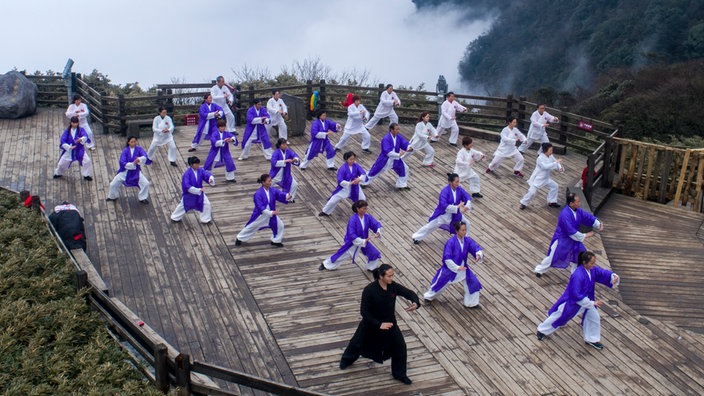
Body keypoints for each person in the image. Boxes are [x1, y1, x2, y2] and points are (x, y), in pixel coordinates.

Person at [339, 264, 420, 385]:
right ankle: (346, 360)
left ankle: (399, 374)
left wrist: (416, 302)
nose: (392, 278)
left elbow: (409, 293)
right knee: (357, 343)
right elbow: (364, 312)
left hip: (390, 323)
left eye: (392, 275)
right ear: (381, 276)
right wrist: (378, 324)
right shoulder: (369, 290)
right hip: (371, 324)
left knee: (400, 347)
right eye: (389, 276)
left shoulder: (392, 287)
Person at [536, 251, 620, 350]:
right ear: (584, 263)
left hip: (586, 300)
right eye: (591, 263)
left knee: (594, 317)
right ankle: (542, 330)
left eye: (594, 263)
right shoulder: (578, 275)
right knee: (559, 316)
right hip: (572, 302)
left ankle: (591, 339)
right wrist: (592, 303)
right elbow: (575, 294)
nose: (594, 265)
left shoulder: (591, 270)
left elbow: (601, 272)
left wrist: (612, 276)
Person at [534, 193, 603, 277]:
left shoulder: (578, 211)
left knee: (580, 255)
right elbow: (570, 230)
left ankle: (575, 274)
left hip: (574, 239)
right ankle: (540, 269)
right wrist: (585, 235)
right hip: (563, 239)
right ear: (571, 203)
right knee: (553, 257)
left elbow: (587, 217)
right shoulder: (564, 214)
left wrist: (598, 224)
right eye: (577, 202)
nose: (579, 203)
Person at [423, 222, 485, 308]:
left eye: (465, 230)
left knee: (473, 282)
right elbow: (447, 258)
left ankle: (471, 303)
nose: (464, 232)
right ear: (457, 231)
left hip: (463, 268)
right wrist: (457, 267)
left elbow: (475, 247)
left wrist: (478, 254)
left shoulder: (467, 240)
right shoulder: (450, 242)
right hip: (450, 270)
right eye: (462, 230)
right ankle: (429, 297)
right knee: (440, 285)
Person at [319, 200, 382, 271]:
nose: (365, 210)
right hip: (353, 242)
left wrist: (378, 231)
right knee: (341, 256)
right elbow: (351, 233)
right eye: (363, 208)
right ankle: (326, 264)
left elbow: (375, 224)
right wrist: (361, 240)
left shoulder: (367, 217)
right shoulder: (353, 219)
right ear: (358, 209)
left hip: (364, 241)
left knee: (374, 253)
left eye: (366, 208)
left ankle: (371, 268)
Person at [412, 173, 471, 244]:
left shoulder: (459, 189)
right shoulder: (445, 191)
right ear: (450, 182)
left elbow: (467, 196)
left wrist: (467, 205)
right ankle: (416, 237)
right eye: (456, 182)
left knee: (467, 223)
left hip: (456, 214)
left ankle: (465, 240)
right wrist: (457, 207)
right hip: (443, 214)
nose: (458, 183)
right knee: (430, 226)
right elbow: (443, 205)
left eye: (458, 181)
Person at [235, 174, 291, 248]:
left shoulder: (272, 190)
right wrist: (271, 213)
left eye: (271, 180)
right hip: (261, 215)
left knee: (280, 225)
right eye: (269, 181)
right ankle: (240, 238)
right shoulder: (258, 194)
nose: (271, 182)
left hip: (271, 214)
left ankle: (276, 240)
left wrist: (287, 196)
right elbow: (260, 207)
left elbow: (280, 194)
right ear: (263, 182)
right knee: (251, 227)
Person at [363, 123, 413, 190]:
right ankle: (363, 182)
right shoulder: (386, 138)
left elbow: (404, 143)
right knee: (374, 171)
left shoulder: (398, 137)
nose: (398, 130)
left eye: (398, 129)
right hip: (385, 160)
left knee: (404, 169)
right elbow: (387, 151)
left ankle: (401, 185)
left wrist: (409, 147)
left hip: (395, 160)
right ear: (391, 130)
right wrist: (398, 155)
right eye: (396, 129)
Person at [319, 151, 368, 217]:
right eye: (351, 159)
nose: (352, 161)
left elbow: (363, 173)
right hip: (344, 188)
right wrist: (349, 183)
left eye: (354, 159)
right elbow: (340, 180)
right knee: (333, 200)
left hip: (355, 187)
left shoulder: (356, 166)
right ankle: (325, 211)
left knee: (362, 199)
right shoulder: (342, 168)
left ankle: (359, 211)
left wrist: (359, 179)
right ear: (346, 159)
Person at [170, 156, 215, 224]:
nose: (197, 165)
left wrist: (210, 179)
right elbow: (187, 186)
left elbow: (206, 174)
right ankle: (175, 217)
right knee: (183, 205)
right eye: (196, 164)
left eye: (198, 164)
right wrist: (198, 190)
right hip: (190, 194)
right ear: (191, 165)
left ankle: (205, 219)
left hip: (199, 193)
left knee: (206, 204)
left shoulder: (200, 170)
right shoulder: (187, 174)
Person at [106, 136, 150, 204]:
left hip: (136, 172)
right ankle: (112, 196)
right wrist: (133, 164)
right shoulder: (125, 151)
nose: (134, 143)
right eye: (132, 142)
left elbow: (144, 155)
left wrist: (140, 159)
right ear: (129, 142)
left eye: (135, 141)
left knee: (146, 183)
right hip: (125, 172)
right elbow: (122, 162)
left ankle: (143, 198)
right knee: (113, 184)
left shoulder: (139, 149)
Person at [519, 142, 564, 210]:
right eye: (550, 150)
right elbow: (545, 166)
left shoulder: (550, 156)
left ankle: (552, 201)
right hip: (537, 179)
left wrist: (560, 168)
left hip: (546, 178)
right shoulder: (540, 158)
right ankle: (523, 203)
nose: (551, 152)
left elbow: (556, 162)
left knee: (555, 186)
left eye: (552, 150)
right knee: (532, 192)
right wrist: (555, 163)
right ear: (545, 150)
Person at [53, 116, 93, 181]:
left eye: (76, 123)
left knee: (87, 161)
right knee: (61, 163)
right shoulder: (67, 131)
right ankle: (58, 173)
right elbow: (63, 140)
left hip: (79, 150)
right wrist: (69, 147)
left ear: (78, 123)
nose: (74, 124)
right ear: (71, 123)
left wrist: (80, 139)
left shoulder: (81, 130)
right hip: (69, 151)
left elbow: (85, 135)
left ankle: (86, 175)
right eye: (73, 123)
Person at [203, 119, 238, 183]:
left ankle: (230, 178)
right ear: (218, 127)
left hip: (225, 151)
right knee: (211, 162)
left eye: (224, 126)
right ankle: (206, 175)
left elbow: (233, 136)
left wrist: (231, 140)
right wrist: (223, 141)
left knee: (229, 162)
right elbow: (214, 141)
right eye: (221, 127)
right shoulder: (215, 133)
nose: (223, 128)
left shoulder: (226, 133)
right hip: (215, 151)